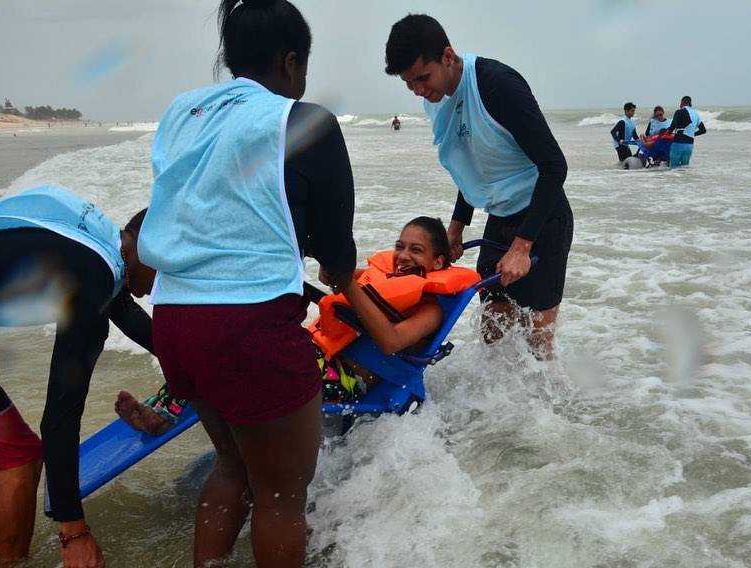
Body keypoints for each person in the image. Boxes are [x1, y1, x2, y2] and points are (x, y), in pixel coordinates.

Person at [136, 1, 356, 566]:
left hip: (176, 318)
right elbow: (337, 252)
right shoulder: (305, 120)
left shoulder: (183, 113)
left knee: (232, 466)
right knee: (281, 494)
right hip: (248, 327)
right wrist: (335, 270)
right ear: (290, 62)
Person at [122, 217, 469, 425]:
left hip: (348, 380)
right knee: (229, 344)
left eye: (416, 250)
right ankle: (163, 406)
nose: (404, 255)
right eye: (400, 246)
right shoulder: (386, 278)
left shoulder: (430, 308)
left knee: (243, 356)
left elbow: (392, 341)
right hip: (317, 357)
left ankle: (163, 416)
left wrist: (346, 282)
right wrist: (332, 267)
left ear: (438, 263)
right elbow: (337, 281)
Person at [384, 14, 573, 359]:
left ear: (447, 56)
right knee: (494, 336)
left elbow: (554, 166)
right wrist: (455, 229)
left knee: (538, 347)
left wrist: (521, 246)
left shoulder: (497, 86)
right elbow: (470, 167)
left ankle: (549, 412)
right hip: (499, 219)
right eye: (409, 83)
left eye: (422, 78)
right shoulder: (437, 99)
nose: (419, 91)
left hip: (544, 221)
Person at [0, 184, 157, 568]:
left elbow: (139, 325)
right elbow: (60, 418)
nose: (157, 292)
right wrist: (74, 531)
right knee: (17, 458)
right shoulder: (94, 274)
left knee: (15, 453)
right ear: (154, 251)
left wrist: (174, 395)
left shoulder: (96, 242)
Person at [667, 95, 706, 168]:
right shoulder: (696, 114)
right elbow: (703, 130)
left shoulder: (679, 112)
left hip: (678, 144)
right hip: (689, 145)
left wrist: (668, 133)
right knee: (684, 168)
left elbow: (673, 125)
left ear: (682, 102)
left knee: (674, 168)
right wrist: (692, 134)